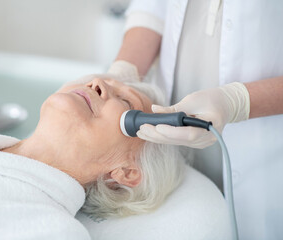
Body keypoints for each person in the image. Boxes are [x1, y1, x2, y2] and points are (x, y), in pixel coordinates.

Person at [104, 0, 283, 239]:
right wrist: (125, 70)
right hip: (174, 144)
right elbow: (152, 7)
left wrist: (237, 101)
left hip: (266, 158)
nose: (95, 87)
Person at [0, 76, 184, 239]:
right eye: (105, 80)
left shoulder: (51, 231)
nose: (98, 84)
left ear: (126, 172)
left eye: (126, 103)